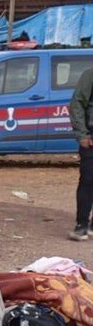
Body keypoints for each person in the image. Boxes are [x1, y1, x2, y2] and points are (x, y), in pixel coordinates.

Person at [69, 64, 93, 240]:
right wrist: (82, 134)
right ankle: (81, 225)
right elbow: (77, 103)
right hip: (90, 140)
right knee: (88, 181)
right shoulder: (90, 75)